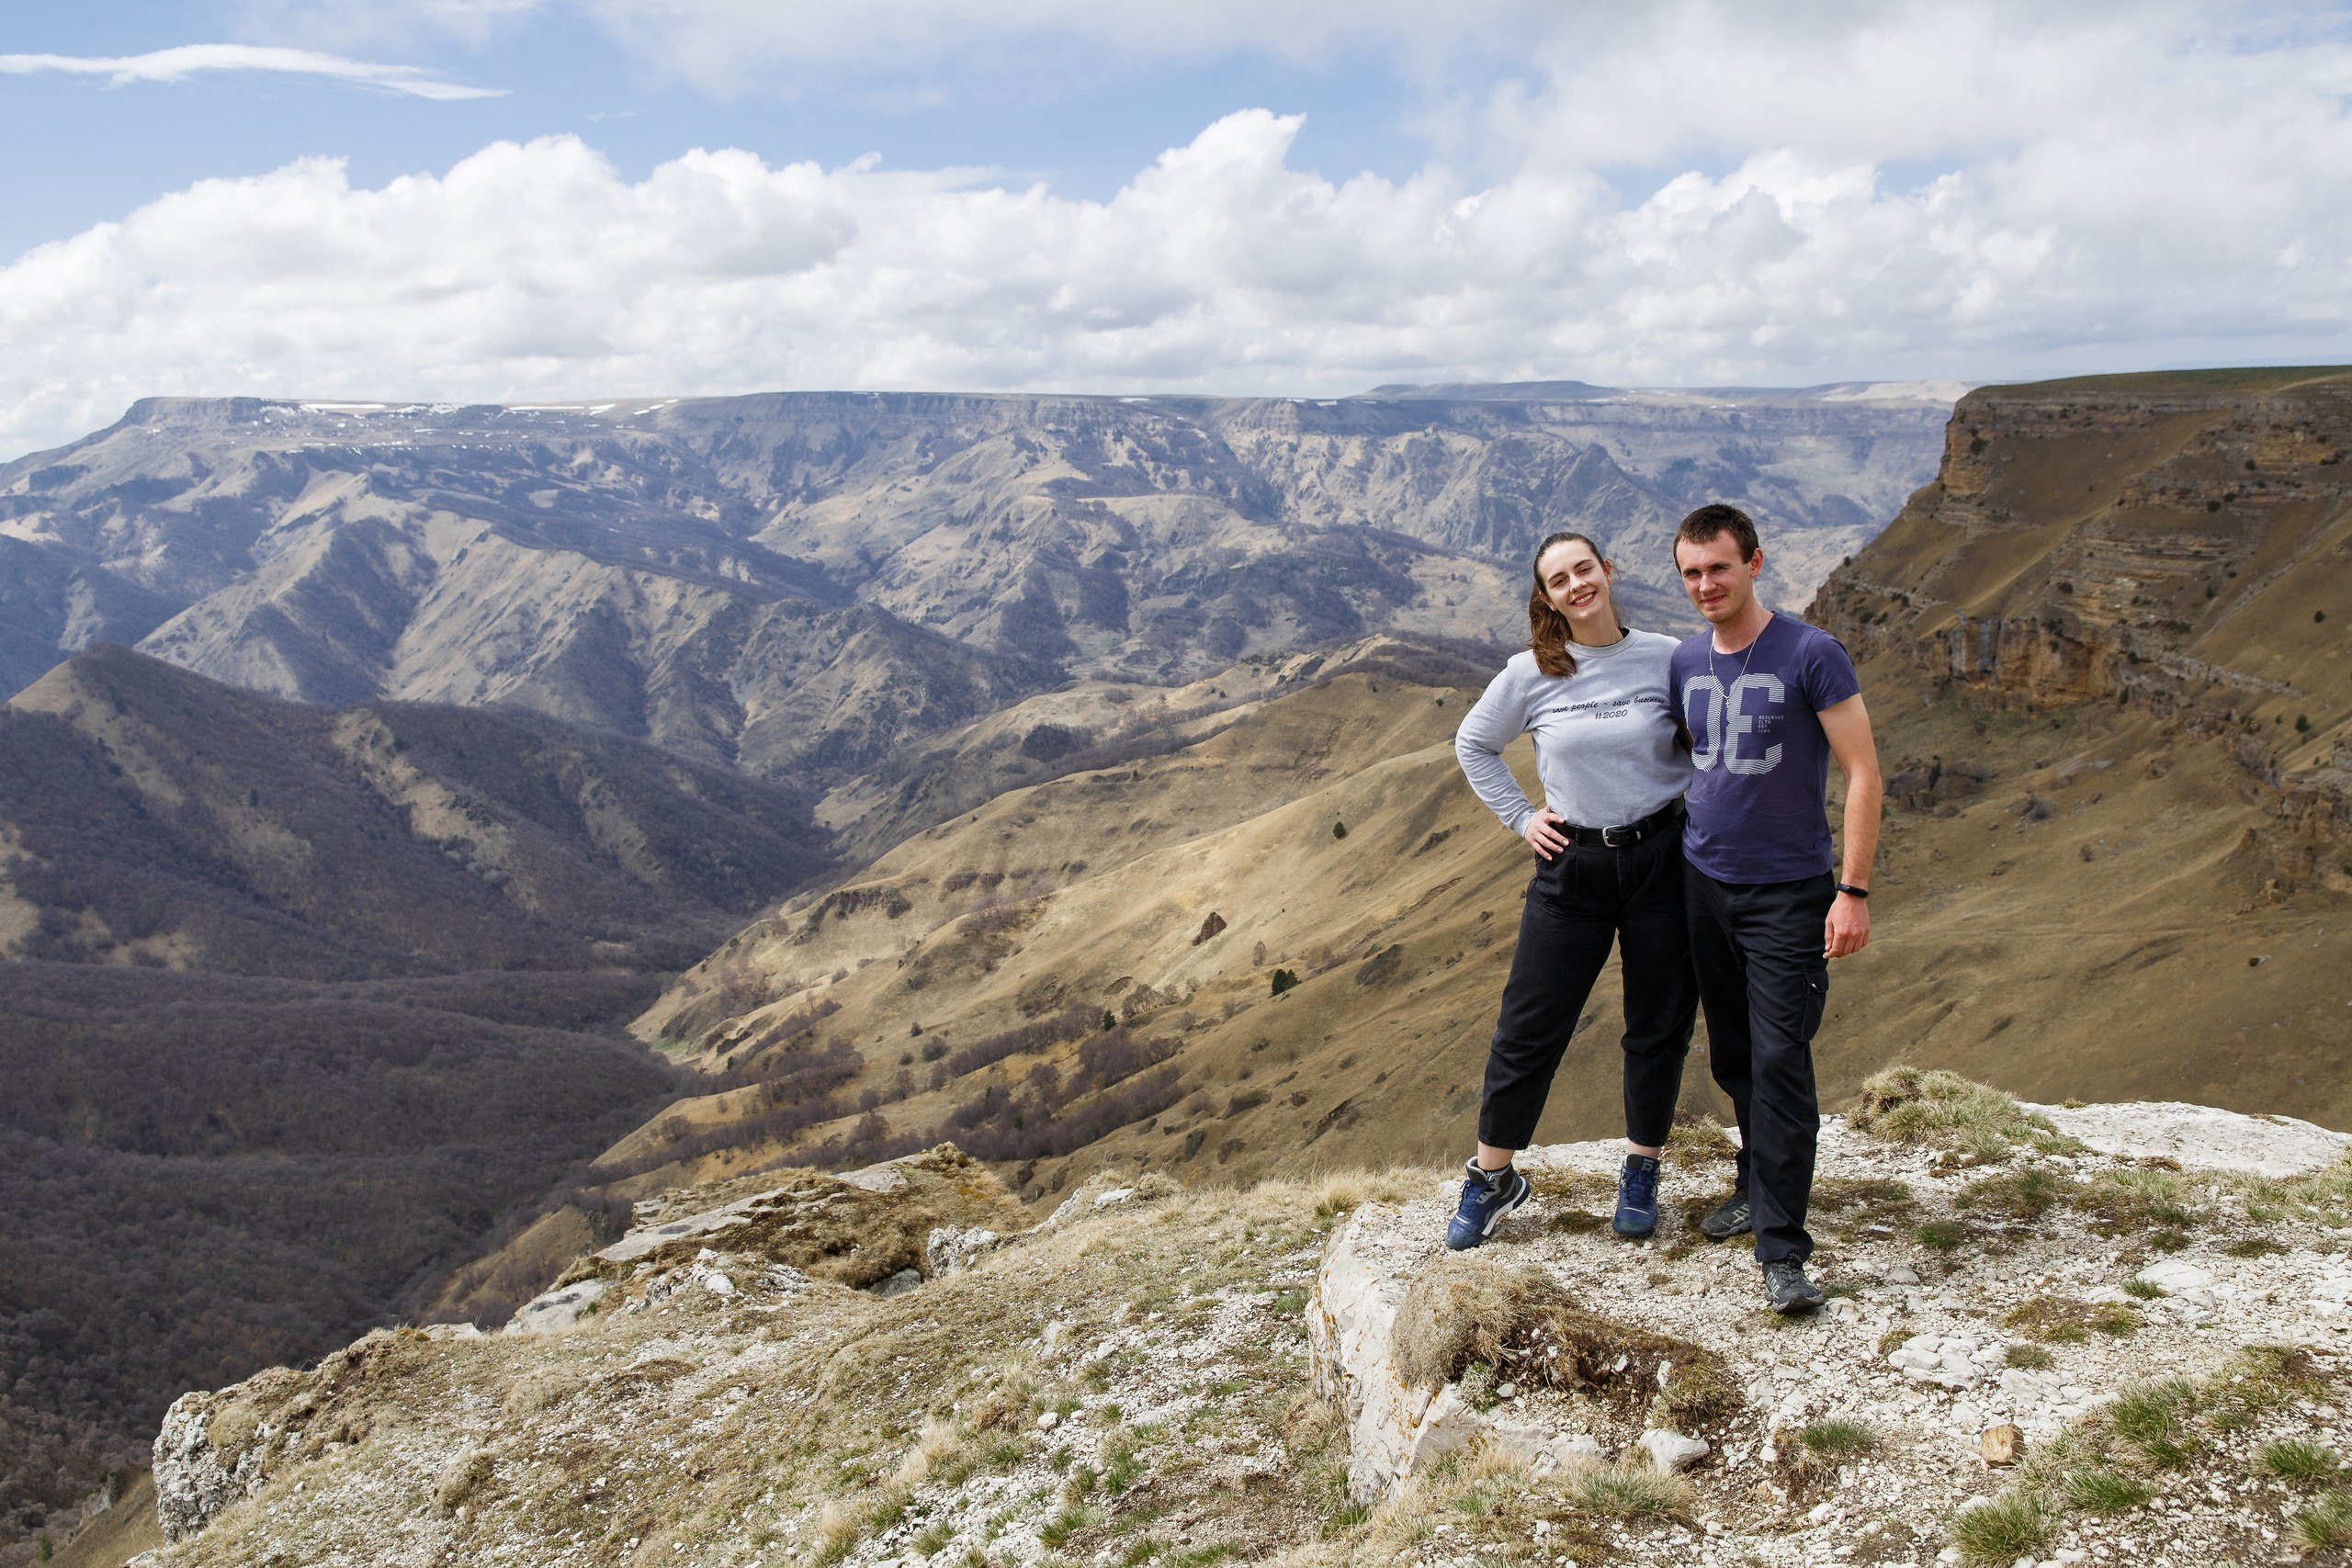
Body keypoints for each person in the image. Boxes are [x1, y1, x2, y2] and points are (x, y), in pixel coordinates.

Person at [1446, 530, 1698, 1250]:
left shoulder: (1666, 656)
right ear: (1549, 597)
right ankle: (1493, 1174)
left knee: (1658, 1025)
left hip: (1662, 860)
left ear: (1608, 572)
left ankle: (1642, 1166)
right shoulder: (1530, 672)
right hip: (1573, 869)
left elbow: (1702, 738)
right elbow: (1473, 742)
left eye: (1584, 569)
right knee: (1528, 1026)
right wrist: (1523, 817)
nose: (1576, 584)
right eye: (1560, 579)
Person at [1668, 503, 1883, 1314]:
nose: (1705, 584)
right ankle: (1755, 1187)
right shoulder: (1686, 661)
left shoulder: (1812, 652)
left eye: (1719, 567)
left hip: (1789, 895)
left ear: (1754, 563)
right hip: (1703, 884)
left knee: (1782, 1065)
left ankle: (1784, 1250)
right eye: (1691, 572)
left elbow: (1863, 771)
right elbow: (1692, 761)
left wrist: (1852, 891)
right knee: (1733, 1057)